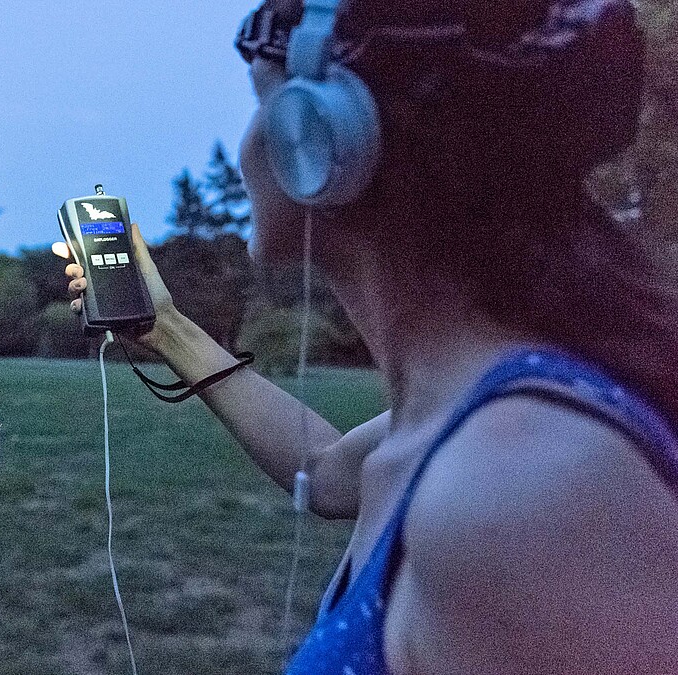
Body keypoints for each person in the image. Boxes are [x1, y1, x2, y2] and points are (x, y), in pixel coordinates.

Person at [67, 0, 678, 671]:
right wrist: (168, 329)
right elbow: (324, 471)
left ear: (321, 137)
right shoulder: (462, 421)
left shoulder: (522, 494)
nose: (246, 145)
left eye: (259, 102)